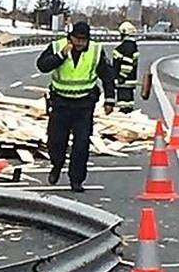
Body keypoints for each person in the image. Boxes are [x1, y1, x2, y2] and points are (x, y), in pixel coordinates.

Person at [36, 21, 115, 192]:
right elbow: (42, 66)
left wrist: (110, 99)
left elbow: (107, 75)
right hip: (60, 103)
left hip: (84, 104)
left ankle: (76, 180)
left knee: (81, 144)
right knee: (56, 141)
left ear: (88, 39)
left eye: (83, 40)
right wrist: (61, 56)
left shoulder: (96, 50)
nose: (79, 43)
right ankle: (56, 165)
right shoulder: (58, 46)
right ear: (70, 37)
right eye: (76, 39)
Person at [114, 22, 140, 114]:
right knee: (128, 102)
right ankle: (128, 114)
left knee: (123, 105)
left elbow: (127, 63)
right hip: (130, 80)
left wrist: (121, 76)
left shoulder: (125, 47)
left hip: (124, 81)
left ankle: (125, 116)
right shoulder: (133, 47)